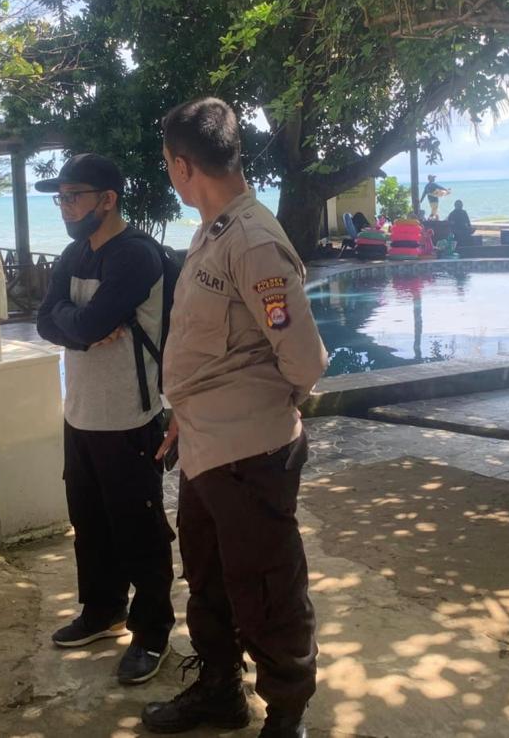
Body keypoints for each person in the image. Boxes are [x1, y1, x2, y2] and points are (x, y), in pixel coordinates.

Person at [141, 97, 328, 738]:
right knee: (210, 576)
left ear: (182, 165)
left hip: (249, 452)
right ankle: (220, 690)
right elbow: (211, 345)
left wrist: (261, 408)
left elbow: (304, 359)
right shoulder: (214, 230)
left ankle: (287, 714)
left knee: (268, 585)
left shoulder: (252, 241)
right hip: (204, 445)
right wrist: (187, 410)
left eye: (168, 163)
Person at [35, 153, 176, 686]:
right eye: (61, 198)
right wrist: (79, 325)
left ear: (108, 199)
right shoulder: (74, 254)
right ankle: (102, 609)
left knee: (139, 528)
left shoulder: (136, 255)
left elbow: (86, 322)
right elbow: (46, 321)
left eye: (74, 197)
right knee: (89, 523)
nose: (66, 207)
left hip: (128, 418)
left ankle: (152, 630)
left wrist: (78, 324)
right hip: (80, 413)